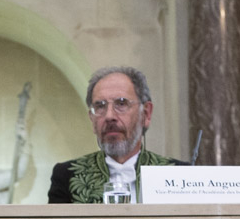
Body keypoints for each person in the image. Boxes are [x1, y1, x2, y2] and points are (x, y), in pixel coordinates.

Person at [48, 66, 187, 203]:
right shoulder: (66, 176)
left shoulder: (181, 175)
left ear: (146, 114)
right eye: (100, 106)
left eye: (121, 103)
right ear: (92, 118)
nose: (109, 116)